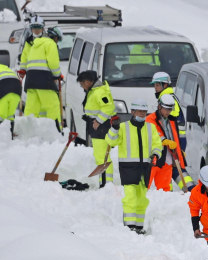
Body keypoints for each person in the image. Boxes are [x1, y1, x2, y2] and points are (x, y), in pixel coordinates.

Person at [105, 100, 162, 233]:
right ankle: (130, 227)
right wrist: (114, 128)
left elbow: (157, 144)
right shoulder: (123, 127)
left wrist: (156, 154)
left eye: (144, 112)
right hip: (128, 168)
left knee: (142, 198)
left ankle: (139, 226)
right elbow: (111, 141)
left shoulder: (150, 127)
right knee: (130, 197)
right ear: (132, 112)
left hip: (144, 168)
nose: (142, 114)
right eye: (139, 111)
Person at [19, 16, 63, 130]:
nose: (36, 30)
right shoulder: (49, 43)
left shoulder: (31, 43)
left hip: (31, 79)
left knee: (32, 106)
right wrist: (57, 75)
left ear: (43, 28)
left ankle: (27, 130)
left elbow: (25, 58)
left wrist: (24, 70)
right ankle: (55, 130)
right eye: (34, 28)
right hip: (44, 79)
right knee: (52, 104)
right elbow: (53, 63)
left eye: (38, 28)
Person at [146, 93, 195, 191]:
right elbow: (154, 133)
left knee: (166, 189)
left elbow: (174, 138)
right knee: (145, 185)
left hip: (168, 158)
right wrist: (164, 140)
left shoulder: (171, 120)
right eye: (167, 109)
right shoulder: (151, 119)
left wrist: (179, 151)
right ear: (159, 107)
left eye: (170, 109)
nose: (169, 112)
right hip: (154, 158)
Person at [77, 70, 117, 187]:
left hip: (101, 127)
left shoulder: (99, 91)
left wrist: (98, 121)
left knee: (102, 157)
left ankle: (106, 184)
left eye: (82, 83)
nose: (81, 86)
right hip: (96, 126)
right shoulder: (93, 91)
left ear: (88, 82)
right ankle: (104, 183)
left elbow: (109, 107)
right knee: (100, 155)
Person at [151, 71, 186, 149]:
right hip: (174, 138)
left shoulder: (167, 99)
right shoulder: (168, 96)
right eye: (154, 85)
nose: (155, 88)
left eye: (157, 85)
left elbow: (171, 121)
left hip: (175, 139)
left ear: (165, 85)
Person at [0, 63, 22, 137]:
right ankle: (11, 132)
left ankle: (4, 136)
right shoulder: (4, 67)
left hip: (3, 86)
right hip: (17, 87)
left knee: (1, 114)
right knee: (10, 114)